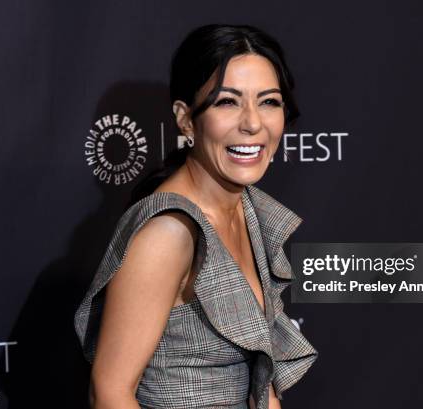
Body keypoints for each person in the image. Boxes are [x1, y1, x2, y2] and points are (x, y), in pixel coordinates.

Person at [74, 24, 318, 409]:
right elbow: (109, 394)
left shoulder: (246, 207)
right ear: (186, 119)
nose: (253, 123)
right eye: (227, 102)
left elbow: (261, 375)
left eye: (269, 101)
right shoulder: (169, 231)